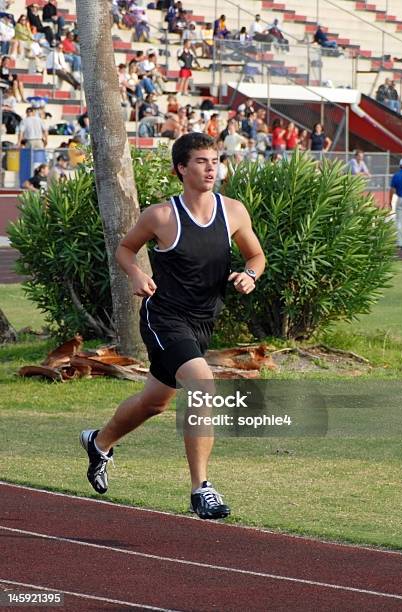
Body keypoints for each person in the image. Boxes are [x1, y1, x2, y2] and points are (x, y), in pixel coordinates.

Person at [80, 133, 266, 520]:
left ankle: (99, 443)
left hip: (203, 323)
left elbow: (256, 255)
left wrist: (250, 274)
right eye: (201, 161)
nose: (211, 167)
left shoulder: (233, 211)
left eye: (215, 160)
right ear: (181, 168)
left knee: (154, 402)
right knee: (202, 386)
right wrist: (134, 274)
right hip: (163, 316)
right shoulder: (161, 216)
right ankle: (202, 489)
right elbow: (125, 248)